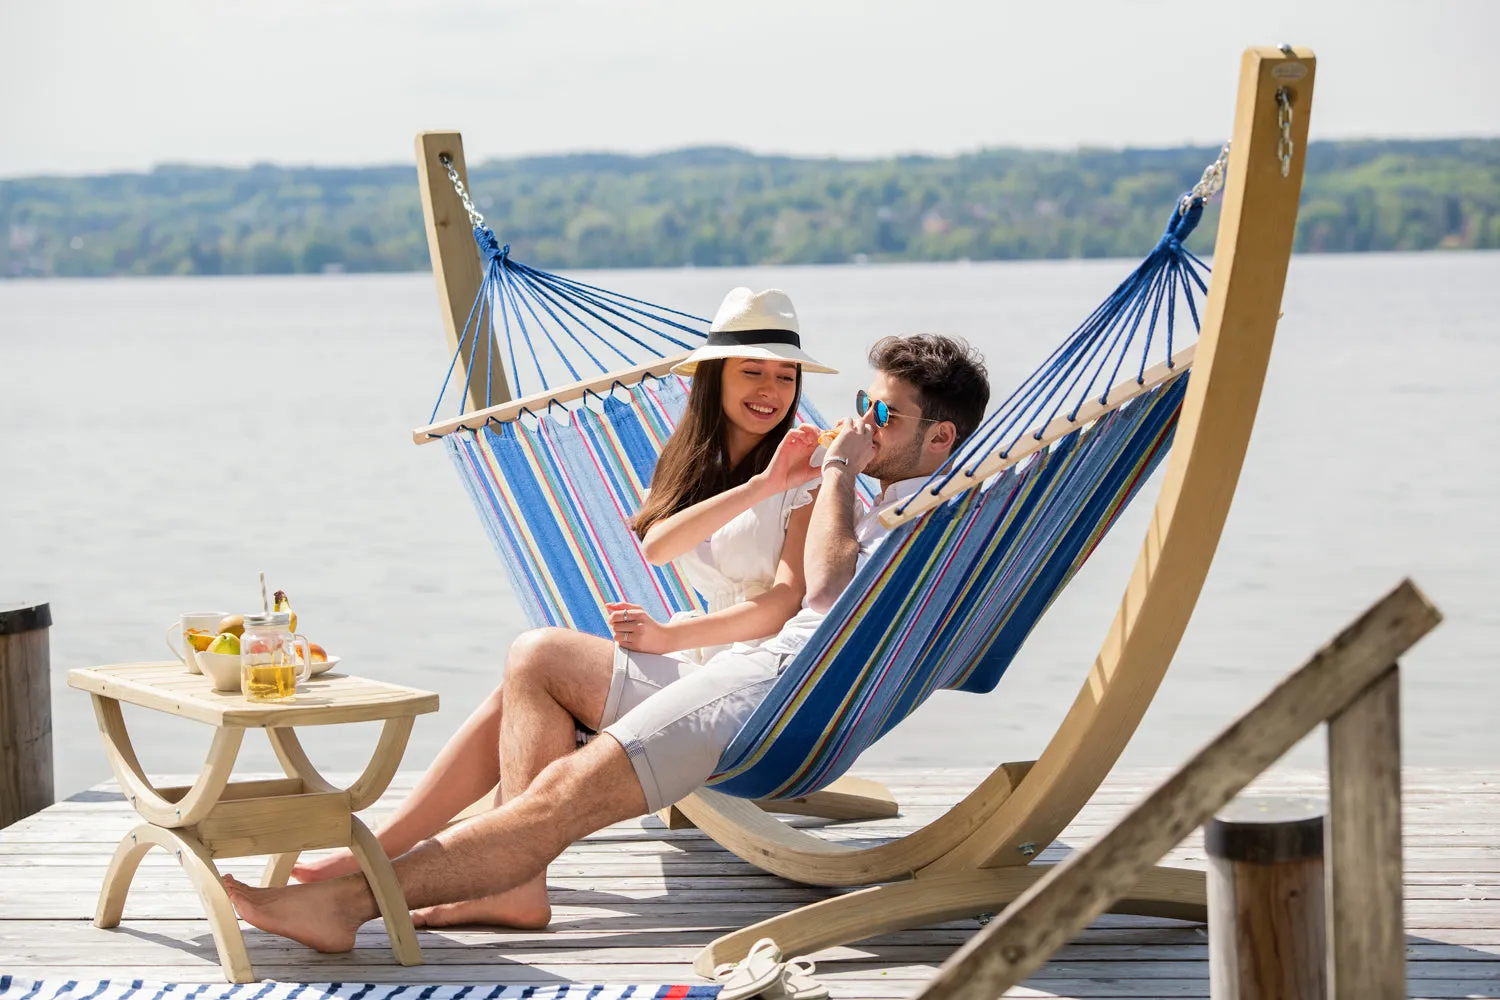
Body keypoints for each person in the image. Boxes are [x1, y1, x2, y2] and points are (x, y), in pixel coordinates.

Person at [224, 332, 990, 955]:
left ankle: (347, 903)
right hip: (761, 680)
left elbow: (821, 593)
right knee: (544, 658)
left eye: (881, 414)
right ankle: (500, 883)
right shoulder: (915, 502)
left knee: (558, 797)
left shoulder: (924, 512)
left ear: (940, 437)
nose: (860, 422)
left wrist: (833, 468)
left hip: (769, 696)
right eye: (862, 403)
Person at [286, 286, 837, 929]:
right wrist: (760, 486)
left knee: (538, 654)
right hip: (702, 663)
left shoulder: (812, 465)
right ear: (714, 378)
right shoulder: (701, 459)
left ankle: (490, 877)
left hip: (747, 684)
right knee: (515, 693)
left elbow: (784, 605)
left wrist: (665, 639)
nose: (770, 389)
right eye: (753, 371)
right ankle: (393, 853)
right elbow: (660, 546)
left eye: (784, 374)